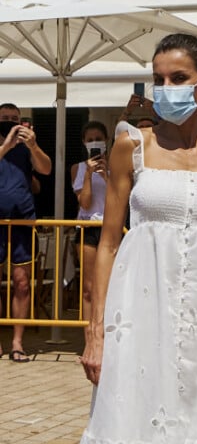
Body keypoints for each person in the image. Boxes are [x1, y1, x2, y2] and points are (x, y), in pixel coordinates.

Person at [73, 33, 197, 444]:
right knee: (132, 422)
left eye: (178, 77)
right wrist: (96, 329)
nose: (166, 87)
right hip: (137, 318)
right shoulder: (131, 144)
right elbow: (109, 242)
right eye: (158, 79)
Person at [0, 103, 52, 362]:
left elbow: (46, 169)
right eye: (5, 119)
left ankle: (17, 342)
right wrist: (5, 146)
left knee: (21, 283)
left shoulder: (27, 147)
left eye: (14, 119)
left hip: (22, 223)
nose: (10, 123)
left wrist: (32, 145)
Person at [70, 121, 109, 331]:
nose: (95, 143)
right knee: (88, 287)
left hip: (112, 228)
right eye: (90, 140)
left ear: (107, 141)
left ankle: (105, 335)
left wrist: (105, 175)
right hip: (88, 228)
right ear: (84, 143)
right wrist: (88, 175)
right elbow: (84, 202)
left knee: (110, 285)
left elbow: (120, 200)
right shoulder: (78, 168)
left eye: (98, 139)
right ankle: (88, 337)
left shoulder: (116, 166)